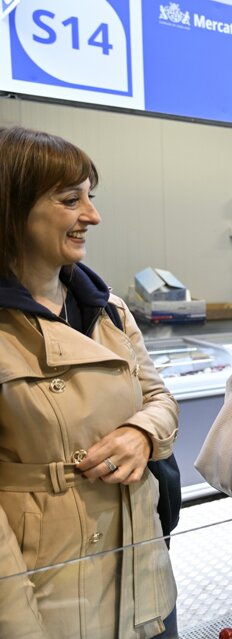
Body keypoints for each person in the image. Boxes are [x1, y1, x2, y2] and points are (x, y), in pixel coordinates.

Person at [0, 126, 178, 638]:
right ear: (12, 208)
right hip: (48, 591)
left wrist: (142, 433)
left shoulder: (109, 311)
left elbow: (160, 398)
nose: (92, 216)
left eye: (90, 198)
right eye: (69, 199)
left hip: (142, 567)